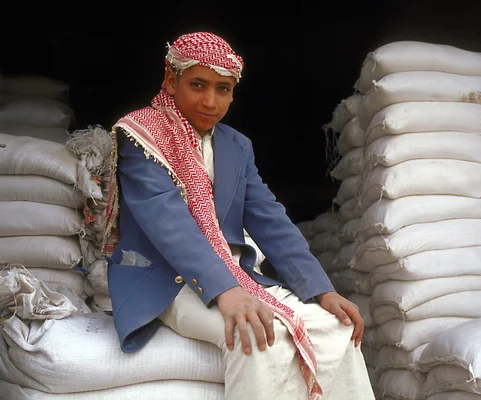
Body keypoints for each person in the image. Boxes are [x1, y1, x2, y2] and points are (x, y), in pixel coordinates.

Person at [101, 31, 375, 400]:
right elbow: (169, 224)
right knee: (254, 335)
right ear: (171, 79)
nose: (210, 101)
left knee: (337, 329)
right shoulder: (139, 135)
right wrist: (226, 292)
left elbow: (271, 221)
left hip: (235, 275)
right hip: (165, 279)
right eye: (198, 84)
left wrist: (321, 289)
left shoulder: (236, 145)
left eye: (223, 89)